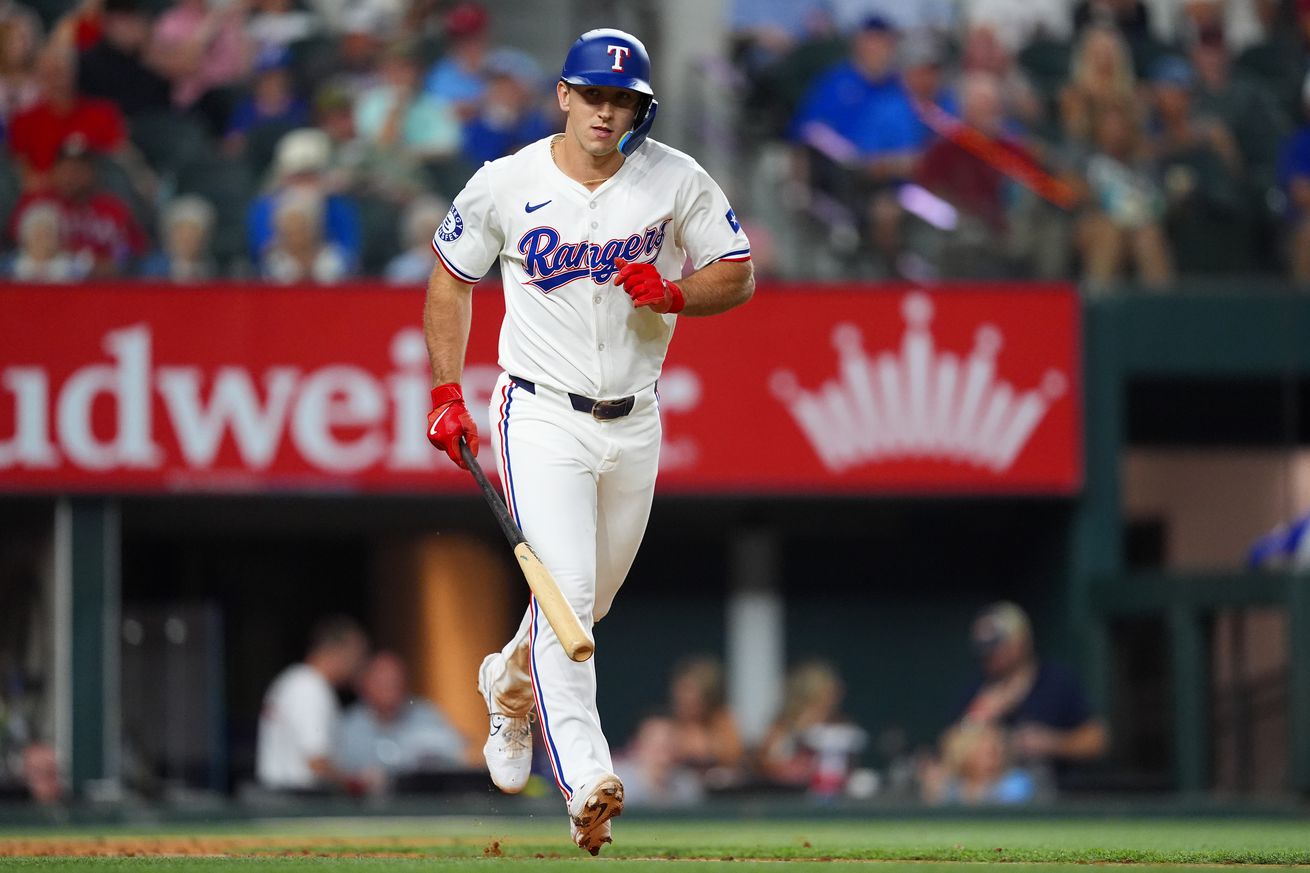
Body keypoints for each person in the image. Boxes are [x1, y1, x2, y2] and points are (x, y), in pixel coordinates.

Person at [422, 28, 752, 855]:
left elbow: (738, 270)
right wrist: (443, 389)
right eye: (593, 95)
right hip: (537, 411)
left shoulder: (675, 175)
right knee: (568, 597)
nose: (607, 112)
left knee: (585, 605)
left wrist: (675, 292)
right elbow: (449, 280)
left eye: (623, 101)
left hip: (634, 416)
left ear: (640, 109)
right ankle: (586, 781)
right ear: (563, 96)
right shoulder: (507, 181)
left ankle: (507, 676)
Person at [954, 602, 1108, 771]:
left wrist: (1051, 743)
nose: (990, 656)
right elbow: (951, 750)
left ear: (1021, 641)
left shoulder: (1056, 681)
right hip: (996, 792)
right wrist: (981, 714)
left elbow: (1097, 740)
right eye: (985, 650)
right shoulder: (979, 687)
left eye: (997, 646)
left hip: (1057, 790)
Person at [255, 614, 371, 791]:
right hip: (296, 801)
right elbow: (317, 763)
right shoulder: (309, 687)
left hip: (283, 799)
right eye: (357, 655)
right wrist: (358, 781)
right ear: (338, 651)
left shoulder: (295, 679)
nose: (359, 664)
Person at [8, 135, 148, 278]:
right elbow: (14, 251)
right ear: (54, 171)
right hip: (47, 286)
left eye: (78, 169)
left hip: (101, 288)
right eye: (65, 168)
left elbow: (130, 252)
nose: (71, 176)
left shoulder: (113, 209)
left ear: (92, 172)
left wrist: (112, 263)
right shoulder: (37, 204)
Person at [334, 651, 469, 780]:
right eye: (383, 684)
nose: (390, 690)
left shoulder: (425, 715)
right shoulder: (349, 726)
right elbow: (339, 774)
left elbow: (456, 756)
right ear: (364, 685)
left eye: (395, 682)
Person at [756, 660, 864, 796]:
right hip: (787, 797)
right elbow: (765, 764)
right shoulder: (782, 727)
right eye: (827, 693)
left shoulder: (840, 725)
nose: (834, 699)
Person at [666, 656, 744, 780]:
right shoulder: (667, 723)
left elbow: (732, 756)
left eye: (691, 692)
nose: (685, 699)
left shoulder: (723, 721)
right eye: (682, 691)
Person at [612, 714, 705, 808]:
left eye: (668, 743)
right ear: (637, 744)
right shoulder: (614, 781)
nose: (662, 750)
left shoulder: (687, 784)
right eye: (655, 743)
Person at [6, 201, 90, 281]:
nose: (43, 241)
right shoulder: (9, 267)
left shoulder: (72, 269)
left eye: (48, 234)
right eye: (37, 235)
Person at [140, 193, 217, 281]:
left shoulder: (211, 268)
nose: (187, 241)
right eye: (181, 234)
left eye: (194, 235)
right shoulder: (153, 269)